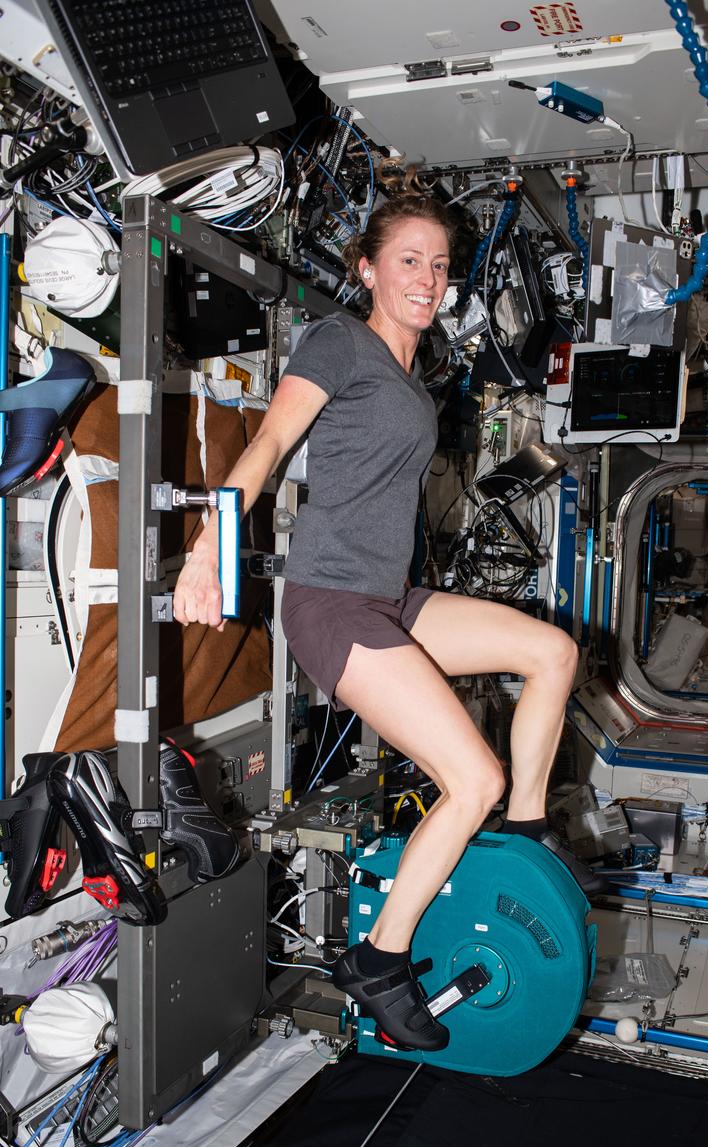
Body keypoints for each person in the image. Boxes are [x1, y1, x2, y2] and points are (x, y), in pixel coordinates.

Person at [173, 194, 598, 1053]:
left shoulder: (413, 371)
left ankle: (522, 829)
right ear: (367, 269)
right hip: (330, 602)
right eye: (409, 260)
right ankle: (378, 958)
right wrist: (206, 549)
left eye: (439, 265)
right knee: (464, 780)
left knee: (552, 651)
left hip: (390, 596)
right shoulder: (339, 341)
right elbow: (267, 446)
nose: (428, 279)